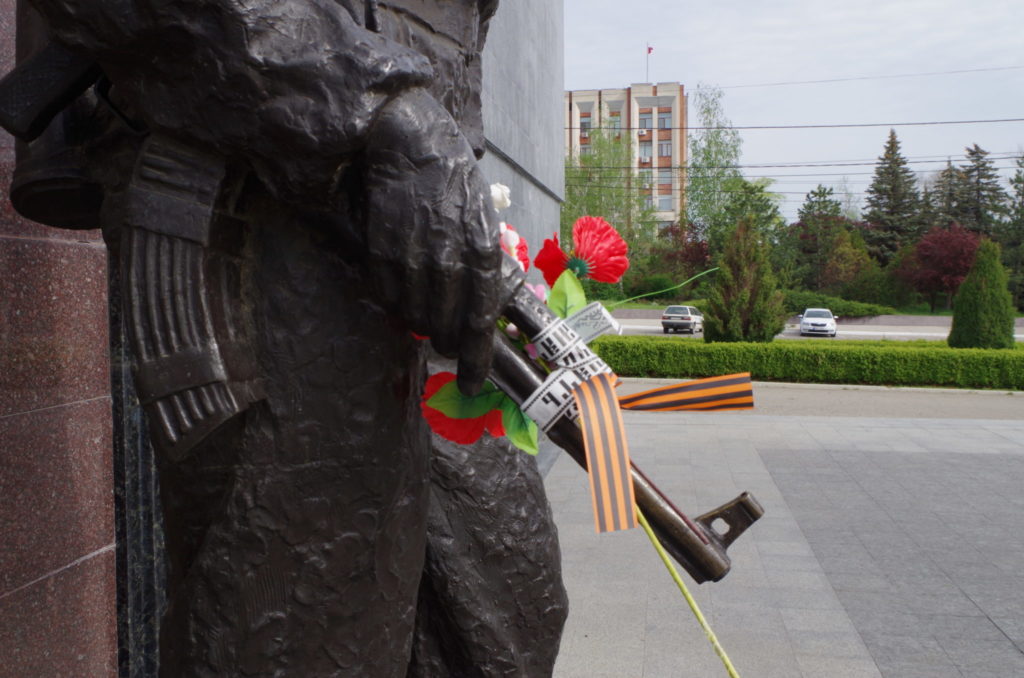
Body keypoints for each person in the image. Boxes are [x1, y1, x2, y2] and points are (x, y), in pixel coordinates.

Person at [18, 0, 565, 675]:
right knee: (303, 623)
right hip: (259, 204)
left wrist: (439, 166)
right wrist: (384, 110)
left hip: (408, 221)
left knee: (506, 609)